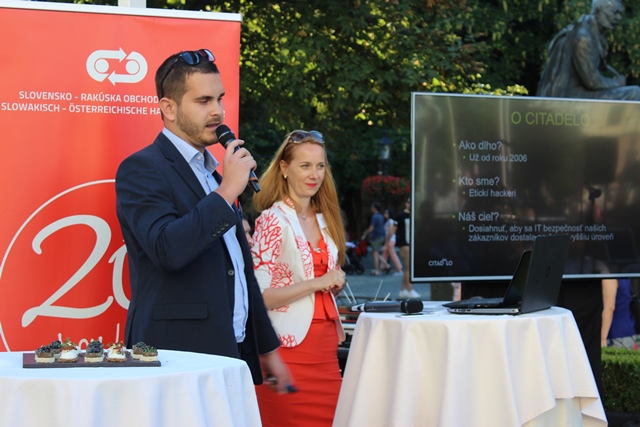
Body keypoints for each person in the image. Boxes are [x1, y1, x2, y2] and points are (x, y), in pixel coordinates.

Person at [114, 49, 292, 392]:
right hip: (175, 354)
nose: (218, 111)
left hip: (230, 348)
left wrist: (266, 347)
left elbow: (238, 269)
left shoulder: (213, 175)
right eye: (203, 100)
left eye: (220, 99)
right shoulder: (142, 168)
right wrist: (226, 193)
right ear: (168, 109)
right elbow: (166, 248)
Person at [250, 129, 347, 426]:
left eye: (320, 166)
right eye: (305, 165)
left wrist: (334, 282)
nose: (314, 174)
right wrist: (318, 283)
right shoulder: (272, 220)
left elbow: (318, 281)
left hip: (326, 350)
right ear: (284, 168)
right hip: (286, 352)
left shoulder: (326, 219)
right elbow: (258, 297)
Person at [537, 0, 640, 100]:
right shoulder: (584, 38)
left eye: (619, 13)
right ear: (598, 11)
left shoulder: (592, 32)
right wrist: (617, 82)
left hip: (580, 92)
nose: (618, 17)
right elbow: (592, 82)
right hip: (572, 96)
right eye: (614, 12)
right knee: (634, 93)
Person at [602, 278, 638, 349]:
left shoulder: (609, 278)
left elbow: (609, 308)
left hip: (614, 331)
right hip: (628, 326)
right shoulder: (625, 276)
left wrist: (602, 337)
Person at [395, 197, 420, 299]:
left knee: (407, 268)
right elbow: (393, 229)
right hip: (404, 244)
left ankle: (403, 290)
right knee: (409, 267)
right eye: (409, 202)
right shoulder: (401, 216)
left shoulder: (414, 215)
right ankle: (410, 289)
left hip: (411, 244)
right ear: (406, 203)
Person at [361, 202, 386, 275]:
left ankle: (377, 270)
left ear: (375, 208)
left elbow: (371, 228)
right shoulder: (381, 216)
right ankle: (386, 265)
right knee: (376, 253)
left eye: (372, 207)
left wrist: (365, 234)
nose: (371, 208)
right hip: (381, 236)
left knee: (375, 254)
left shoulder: (375, 217)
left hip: (376, 237)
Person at [379, 208, 403, 276]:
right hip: (389, 240)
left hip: (390, 240)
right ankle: (381, 269)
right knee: (385, 254)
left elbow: (390, 232)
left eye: (386, 213)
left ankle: (400, 270)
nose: (385, 214)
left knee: (393, 255)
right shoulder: (388, 221)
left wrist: (386, 242)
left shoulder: (390, 221)